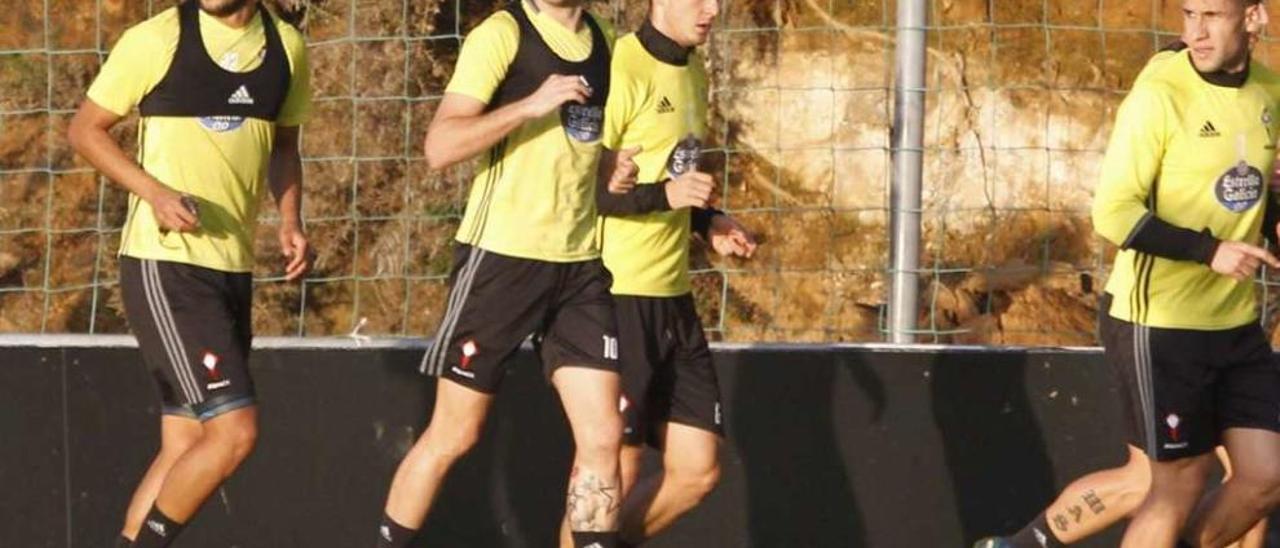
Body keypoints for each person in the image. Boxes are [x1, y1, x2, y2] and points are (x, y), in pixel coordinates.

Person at [977, 1, 1280, 546]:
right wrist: (1208, 251)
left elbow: (1256, 193)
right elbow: (1113, 212)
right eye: (1188, 15)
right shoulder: (1160, 95)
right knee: (1177, 481)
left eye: (1212, 15)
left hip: (1233, 324)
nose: (1196, 32)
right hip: (1160, 324)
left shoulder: (1267, 91)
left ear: (1254, 18)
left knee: (1261, 477)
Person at [374, 1, 624, 547]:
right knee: (455, 433)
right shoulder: (503, 33)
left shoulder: (604, 38)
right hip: (502, 259)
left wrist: (612, 167)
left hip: (579, 267)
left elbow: (581, 148)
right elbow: (439, 147)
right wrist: (530, 104)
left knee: (604, 436)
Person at [66, 0, 312, 546]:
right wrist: (152, 192)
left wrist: (289, 219)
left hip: (232, 269)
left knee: (186, 443)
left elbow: (286, 143)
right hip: (166, 265)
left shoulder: (287, 48)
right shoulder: (156, 39)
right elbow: (86, 131)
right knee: (234, 433)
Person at [590, 1, 757, 546]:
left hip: (673, 299)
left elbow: (673, 177)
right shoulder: (621, 67)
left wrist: (708, 220)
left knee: (697, 469)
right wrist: (667, 196)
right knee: (618, 467)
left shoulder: (695, 72)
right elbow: (585, 193)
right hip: (618, 294)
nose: (710, 10)